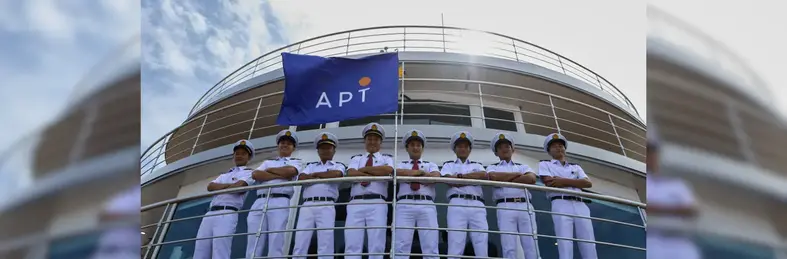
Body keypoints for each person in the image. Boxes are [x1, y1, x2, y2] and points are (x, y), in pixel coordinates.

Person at [538, 133, 597, 259]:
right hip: (561, 203)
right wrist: (576, 182)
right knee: (564, 241)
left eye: (561, 145)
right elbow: (549, 182)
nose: (559, 148)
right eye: (554, 146)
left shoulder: (576, 167)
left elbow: (587, 183)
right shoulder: (545, 164)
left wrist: (562, 181)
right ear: (549, 151)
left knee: (588, 241)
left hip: (580, 204)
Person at [645, 125, 701, 259]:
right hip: (652, 242)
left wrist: (654, 208)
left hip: (680, 243)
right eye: (647, 153)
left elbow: (693, 210)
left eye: (652, 153)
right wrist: (674, 210)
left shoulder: (677, 185)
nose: (650, 158)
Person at [193, 139, 255, 259]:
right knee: (200, 249)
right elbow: (210, 187)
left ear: (249, 157)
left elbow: (239, 188)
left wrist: (221, 188)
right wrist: (229, 186)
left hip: (227, 213)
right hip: (210, 213)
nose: (239, 156)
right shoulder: (224, 175)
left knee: (220, 250)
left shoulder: (249, 173)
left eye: (243, 153)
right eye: (237, 153)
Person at [247, 130, 302, 258]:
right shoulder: (267, 161)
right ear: (278, 145)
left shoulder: (296, 161)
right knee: (254, 238)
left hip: (280, 200)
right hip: (260, 201)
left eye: (289, 144)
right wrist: (280, 174)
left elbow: (291, 172)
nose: (285, 145)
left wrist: (269, 171)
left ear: (293, 148)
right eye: (282, 142)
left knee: (276, 238)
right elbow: (255, 174)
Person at [292, 132, 346, 259]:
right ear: (318, 150)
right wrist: (324, 175)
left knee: (325, 240)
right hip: (307, 205)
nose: (325, 150)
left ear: (334, 150)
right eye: (322, 148)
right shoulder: (310, 166)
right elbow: (301, 178)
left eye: (328, 147)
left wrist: (314, 176)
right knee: (301, 239)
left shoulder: (338, 165)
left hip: (327, 204)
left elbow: (337, 174)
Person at [345, 122, 395, 259]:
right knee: (352, 244)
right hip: (356, 202)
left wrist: (363, 170)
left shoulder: (387, 158)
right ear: (365, 141)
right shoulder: (356, 158)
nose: (372, 142)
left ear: (381, 142)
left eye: (376, 139)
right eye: (370, 139)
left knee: (377, 245)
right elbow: (351, 174)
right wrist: (375, 174)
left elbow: (388, 171)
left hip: (377, 203)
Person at [486, 132, 539, 259]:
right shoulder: (492, 167)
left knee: (531, 244)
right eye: (500, 147)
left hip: (525, 206)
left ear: (512, 149)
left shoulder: (523, 166)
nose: (504, 149)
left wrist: (504, 179)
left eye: (507, 146)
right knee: (508, 245)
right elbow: (493, 178)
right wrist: (519, 177)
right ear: (496, 152)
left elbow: (531, 179)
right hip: (505, 206)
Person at [392, 129, 441, 259]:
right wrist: (419, 173)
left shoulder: (431, 164)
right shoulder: (399, 164)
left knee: (431, 245)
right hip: (404, 204)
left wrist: (416, 173)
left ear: (422, 148)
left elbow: (436, 177)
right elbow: (396, 173)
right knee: (401, 245)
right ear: (407, 148)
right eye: (412, 145)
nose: (415, 147)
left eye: (418, 145)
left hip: (426, 204)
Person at [440, 131, 489, 258]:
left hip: (477, 204)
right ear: (455, 149)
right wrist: (471, 180)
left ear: (469, 149)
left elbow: (483, 176)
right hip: (457, 203)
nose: (463, 149)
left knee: (481, 242)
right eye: (460, 146)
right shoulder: (448, 165)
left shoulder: (477, 165)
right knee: (456, 242)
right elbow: (448, 180)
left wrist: (461, 177)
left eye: (465, 146)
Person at [89, 186, 141, 259]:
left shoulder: (137, 194)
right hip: (107, 249)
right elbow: (102, 216)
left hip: (129, 250)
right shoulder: (125, 195)